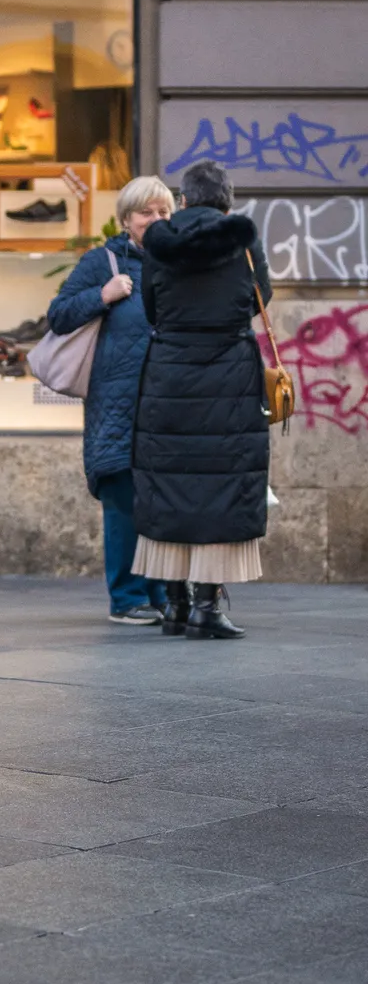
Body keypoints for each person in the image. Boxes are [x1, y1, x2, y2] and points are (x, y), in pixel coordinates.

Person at [132, 159, 272, 640]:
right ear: (227, 200)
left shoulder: (158, 241)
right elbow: (261, 298)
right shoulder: (244, 239)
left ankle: (174, 603)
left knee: (169, 482)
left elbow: (150, 305)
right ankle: (207, 607)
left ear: (185, 199)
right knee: (222, 485)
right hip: (229, 375)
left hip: (168, 373)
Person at [47, 176, 175, 625]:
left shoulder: (177, 263)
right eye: (147, 213)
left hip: (165, 405)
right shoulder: (102, 261)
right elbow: (58, 315)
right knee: (123, 502)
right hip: (116, 407)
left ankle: (160, 594)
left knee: (160, 502)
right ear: (126, 220)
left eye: (164, 212)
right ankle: (126, 597)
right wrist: (103, 295)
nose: (157, 220)